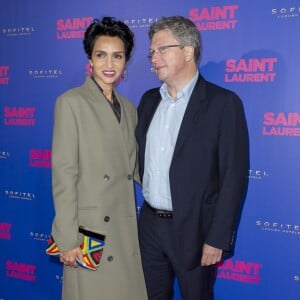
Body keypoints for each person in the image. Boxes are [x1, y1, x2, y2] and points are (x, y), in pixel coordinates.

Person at [135, 16, 249, 299]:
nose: (154, 58)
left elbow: (233, 176)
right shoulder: (149, 100)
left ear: (188, 51)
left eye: (162, 49)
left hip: (196, 229)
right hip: (149, 225)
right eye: (151, 52)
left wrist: (217, 238)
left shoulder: (223, 103)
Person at [50, 17, 147, 300]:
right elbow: (64, 175)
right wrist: (66, 239)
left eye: (117, 56)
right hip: (89, 232)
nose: (109, 64)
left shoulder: (129, 109)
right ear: (90, 59)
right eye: (101, 55)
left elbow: (135, 167)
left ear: (126, 61)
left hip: (124, 226)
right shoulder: (71, 103)